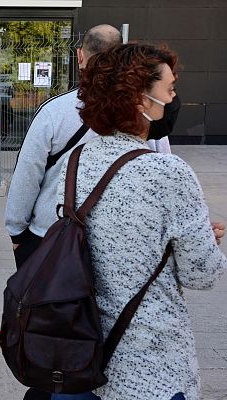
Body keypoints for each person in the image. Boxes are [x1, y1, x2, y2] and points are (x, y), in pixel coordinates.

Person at [55, 42, 226, 400]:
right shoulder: (168, 172)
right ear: (140, 101)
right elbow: (202, 274)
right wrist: (203, 243)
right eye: (170, 88)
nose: (175, 96)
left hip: (80, 356)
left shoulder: (76, 161)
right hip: (150, 367)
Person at [5, 25, 123, 272]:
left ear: (80, 56)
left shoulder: (55, 112)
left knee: (49, 310)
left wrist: (16, 231)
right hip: (119, 240)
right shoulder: (143, 116)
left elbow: (28, 173)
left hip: (53, 233)